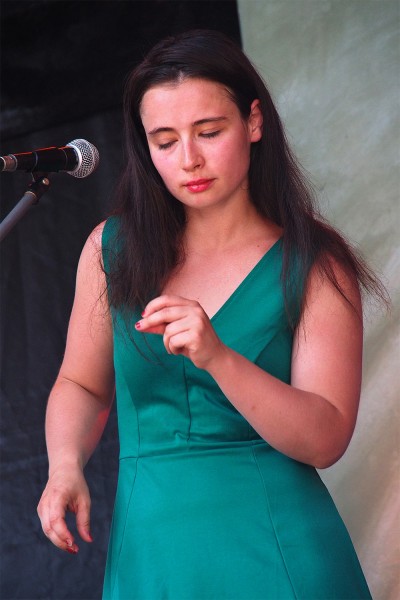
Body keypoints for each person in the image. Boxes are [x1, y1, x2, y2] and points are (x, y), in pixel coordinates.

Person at [37, 29, 386, 599]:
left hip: (277, 549)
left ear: (253, 122)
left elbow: (325, 438)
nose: (189, 159)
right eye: (165, 141)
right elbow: (81, 383)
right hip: (151, 553)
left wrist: (219, 356)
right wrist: (64, 466)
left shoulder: (314, 265)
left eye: (209, 132)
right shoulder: (110, 250)